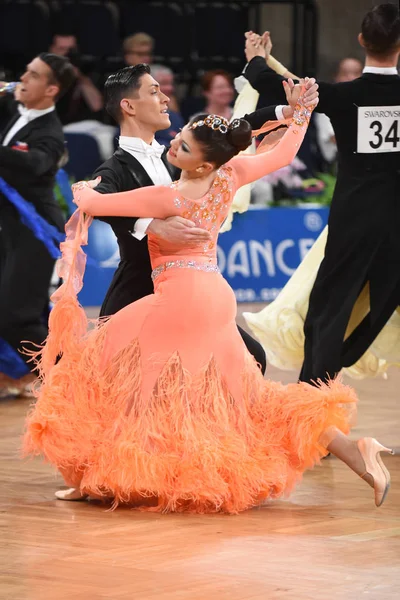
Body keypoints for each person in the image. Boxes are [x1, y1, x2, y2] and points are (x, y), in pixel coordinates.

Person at [23, 80, 393, 513]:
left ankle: (98, 474)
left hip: (180, 299)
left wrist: (86, 187)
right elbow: (284, 154)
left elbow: (90, 201)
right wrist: (302, 113)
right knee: (246, 393)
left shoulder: (168, 197)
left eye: (181, 147)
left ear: (201, 165)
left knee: (101, 369)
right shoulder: (230, 175)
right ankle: (355, 449)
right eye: (176, 140)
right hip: (214, 295)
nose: (172, 146)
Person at [91, 64, 309, 373]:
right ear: (128, 106)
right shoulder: (114, 169)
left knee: (251, 360)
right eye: (154, 92)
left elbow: (233, 130)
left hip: (190, 296)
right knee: (113, 380)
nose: (166, 98)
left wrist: (290, 110)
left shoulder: (182, 155)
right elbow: (95, 204)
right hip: (139, 288)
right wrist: (150, 225)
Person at [242, 3, 400, 384]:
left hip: (355, 220)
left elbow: (286, 90)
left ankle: (316, 395)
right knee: (381, 307)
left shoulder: (345, 96)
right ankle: (337, 367)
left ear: (361, 40)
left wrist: (256, 61)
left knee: (330, 309)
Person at [0, 53, 75, 395]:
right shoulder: (13, 108)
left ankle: (69, 381)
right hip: (8, 230)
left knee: (17, 317)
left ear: (51, 90)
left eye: (33, 75)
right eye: (25, 72)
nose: (23, 79)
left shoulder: (50, 132)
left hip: (34, 233)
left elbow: (36, 163)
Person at [151, 64, 185, 147]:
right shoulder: (135, 115)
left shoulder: (175, 117)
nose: (170, 88)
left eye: (171, 83)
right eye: (164, 83)